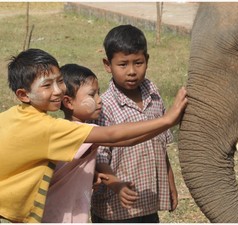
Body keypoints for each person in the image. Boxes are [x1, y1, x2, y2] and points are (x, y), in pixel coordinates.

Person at [0, 48, 187, 223]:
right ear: (23, 95)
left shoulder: (14, 115)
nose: (57, 90)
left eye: (59, 81)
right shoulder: (48, 128)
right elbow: (115, 136)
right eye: (47, 85)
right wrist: (167, 120)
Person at [90, 24, 179, 223]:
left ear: (147, 60)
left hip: (148, 201)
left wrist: (171, 184)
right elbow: (100, 157)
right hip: (114, 208)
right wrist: (117, 185)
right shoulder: (104, 107)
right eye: (123, 64)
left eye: (138, 63)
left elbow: (162, 147)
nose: (131, 71)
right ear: (107, 65)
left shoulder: (154, 98)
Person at [42, 63, 108, 223]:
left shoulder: (59, 129)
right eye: (92, 95)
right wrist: (165, 121)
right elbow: (121, 137)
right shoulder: (83, 132)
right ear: (69, 102)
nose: (100, 100)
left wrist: (91, 175)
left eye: (98, 93)